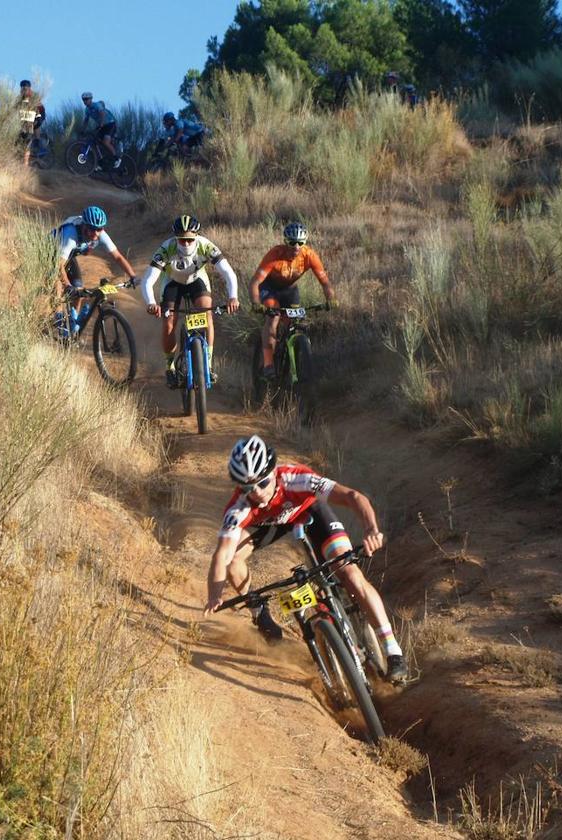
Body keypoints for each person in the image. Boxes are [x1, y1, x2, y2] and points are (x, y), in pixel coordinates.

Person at [204, 435, 408, 683]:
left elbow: (353, 497)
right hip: (271, 524)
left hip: (308, 513)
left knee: (350, 573)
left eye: (262, 483)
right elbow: (222, 553)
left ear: (274, 472)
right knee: (234, 563)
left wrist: (371, 530)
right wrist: (214, 594)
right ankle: (260, 614)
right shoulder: (239, 507)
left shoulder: (296, 478)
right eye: (247, 488)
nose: (256, 493)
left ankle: (392, 650)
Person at [139, 215, 240, 386]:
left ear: (196, 236)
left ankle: (207, 364)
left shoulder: (205, 245)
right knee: (169, 322)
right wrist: (150, 303)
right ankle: (169, 366)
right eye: (182, 240)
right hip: (172, 283)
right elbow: (148, 280)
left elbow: (228, 272)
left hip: (197, 281)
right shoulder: (166, 248)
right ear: (175, 237)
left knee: (207, 317)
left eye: (189, 240)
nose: (185, 243)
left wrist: (233, 297)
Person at [249, 221, 336, 379]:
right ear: (285, 242)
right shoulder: (275, 255)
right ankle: (268, 364)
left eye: (300, 242)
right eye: (292, 242)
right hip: (269, 289)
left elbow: (325, 282)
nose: (296, 246)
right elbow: (255, 281)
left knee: (295, 323)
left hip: (290, 290)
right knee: (273, 318)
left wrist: (331, 299)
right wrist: (256, 302)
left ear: (305, 242)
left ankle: (293, 357)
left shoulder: (309, 256)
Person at [80, 91, 119, 168]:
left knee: (105, 142)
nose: (85, 101)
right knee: (95, 142)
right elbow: (86, 120)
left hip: (110, 124)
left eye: (86, 99)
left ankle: (116, 158)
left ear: (91, 99)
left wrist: (101, 123)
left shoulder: (96, 105)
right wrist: (83, 130)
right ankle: (101, 161)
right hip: (102, 126)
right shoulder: (87, 110)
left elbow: (102, 113)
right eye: (83, 99)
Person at [17, 80, 46, 166]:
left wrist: (40, 120)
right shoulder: (19, 99)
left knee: (28, 140)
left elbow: (41, 110)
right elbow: (14, 109)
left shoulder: (34, 97)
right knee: (19, 139)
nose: (23, 91)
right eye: (22, 89)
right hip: (24, 121)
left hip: (35, 118)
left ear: (29, 89)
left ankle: (26, 163)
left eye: (25, 89)